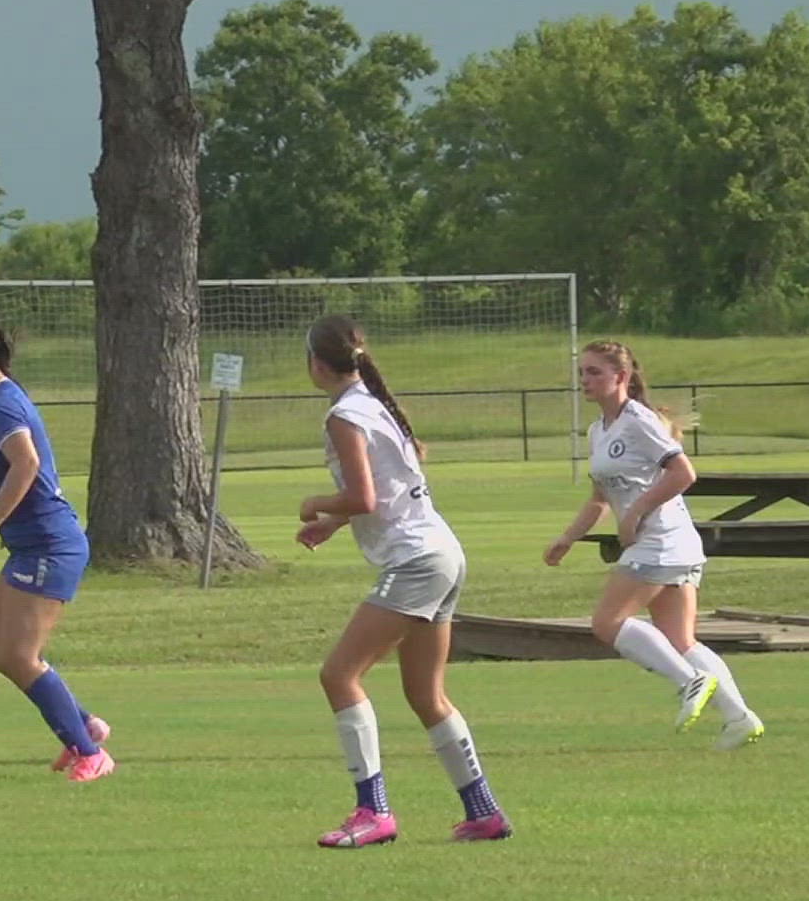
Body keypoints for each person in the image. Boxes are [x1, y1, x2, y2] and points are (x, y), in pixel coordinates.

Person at [297, 316, 510, 848]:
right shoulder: (372, 403)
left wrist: (317, 504)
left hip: (417, 562)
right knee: (425, 695)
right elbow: (389, 490)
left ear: (317, 365)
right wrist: (333, 525)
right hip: (443, 553)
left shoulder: (345, 415)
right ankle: (483, 812)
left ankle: (373, 812)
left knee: (339, 676)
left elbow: (366, 497)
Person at [543, 339, 765, 751]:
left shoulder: (639, 420)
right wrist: (567, 538)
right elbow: (597, 499)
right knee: (681, 640)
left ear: (621, 377)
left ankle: (689, 682)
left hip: (662, 542)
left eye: (594, 372)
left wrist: (637, 512)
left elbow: (683, 473)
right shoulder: (598, 431)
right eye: (582, 374)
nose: (585, 381)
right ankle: (739, 719)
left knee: (606, 623)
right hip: (670, 544)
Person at [0, 323, 113, 783]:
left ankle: (90, 753)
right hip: (31, 546)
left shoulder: (0, 404)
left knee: (19, 654)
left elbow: (27, 462)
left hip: (50, 546)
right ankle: (85, 725)